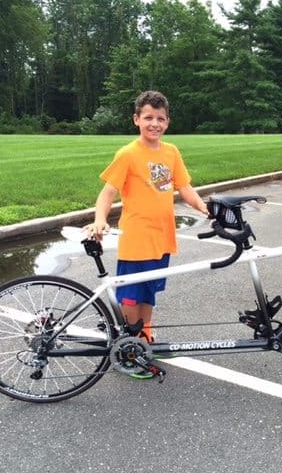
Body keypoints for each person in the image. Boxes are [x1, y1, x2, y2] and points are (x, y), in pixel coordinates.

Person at [85, 91, 209, 377]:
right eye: (148, 118)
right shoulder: (128, 154)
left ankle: (144, 339)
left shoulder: (171, 152)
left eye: (160, 119)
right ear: (136, 119)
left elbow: (184, 187)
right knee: (131, 295)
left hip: (162, 236)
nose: (154, 124)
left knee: (149, 293)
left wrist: (204, 208)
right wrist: (100, 219)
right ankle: (127, 350)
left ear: (167, 122)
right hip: (137, 238)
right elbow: (108, 191)